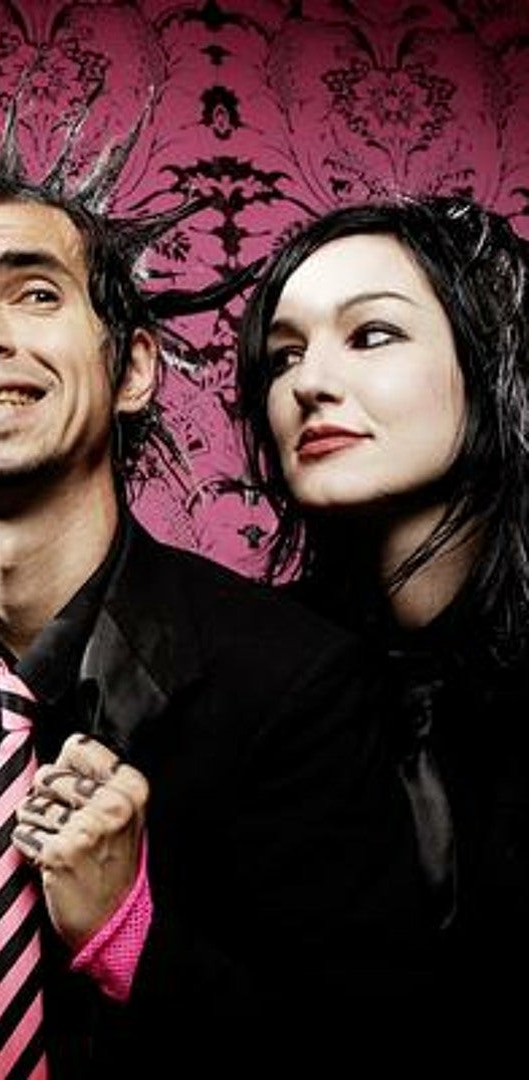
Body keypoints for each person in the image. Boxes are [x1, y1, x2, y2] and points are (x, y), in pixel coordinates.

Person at [0, 123, 432, 1075]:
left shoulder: (293, 678)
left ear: (132, 370)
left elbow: (371, 1049)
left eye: (35, 293)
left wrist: (131, 938)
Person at [235, 194, 529, 1050]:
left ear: (492, 358)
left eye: (371, 335)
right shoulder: (254, 673)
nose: (307, 384)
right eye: (284, 355)